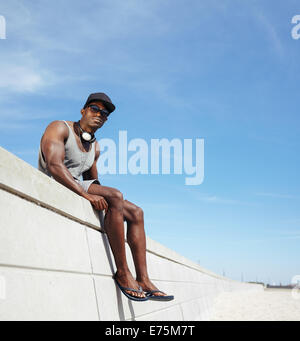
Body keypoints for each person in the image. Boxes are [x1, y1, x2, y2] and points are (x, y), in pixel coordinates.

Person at [38, 92, 174, 302]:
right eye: (95, 109)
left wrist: (112, 204)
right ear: (83, 110)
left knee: (136, 211)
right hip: (54, 182)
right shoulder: (59, 127)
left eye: (105, 113)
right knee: (115, 195)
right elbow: (54, 166)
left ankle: (144, 279)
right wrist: (85, 195)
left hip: (77, 184)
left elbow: (93, 181)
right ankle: (122, 272)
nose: (100, 114)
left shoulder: (95, 146)